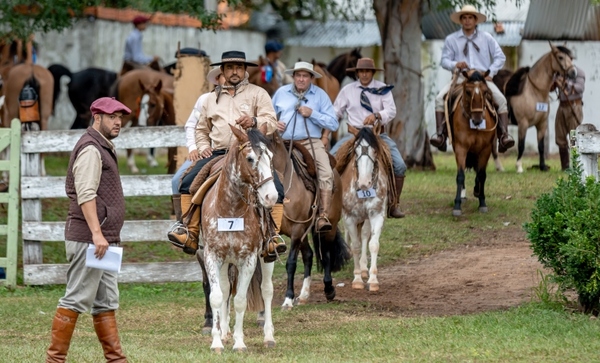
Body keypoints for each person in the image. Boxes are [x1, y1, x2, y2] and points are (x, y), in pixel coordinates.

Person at [167, 50, 287, 261]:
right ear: (222, 70)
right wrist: (203, 146)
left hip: (251, 153)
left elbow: (271, 121)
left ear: (244, 70)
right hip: (219, 153)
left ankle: (272, 237)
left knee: (276, 188)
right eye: (230, 67)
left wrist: (254, 122)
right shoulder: (209, 100)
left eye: (239, 67)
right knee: (186, 182)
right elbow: (201, 129)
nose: (234, 72)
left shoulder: (258, 94)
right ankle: (190, 231)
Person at [46, 97, 130, 363]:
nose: (118, 122)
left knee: (106, 300)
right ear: (97, 117)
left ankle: (116, 359)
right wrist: (96, 233)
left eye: (120, 117)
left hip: (104, 240)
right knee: (75, 298)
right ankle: (54, 360)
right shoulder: (91, 148)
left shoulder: (103, 147)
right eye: (112, 117)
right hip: (91, 240)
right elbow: (85, 194)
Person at [429, 5, 515, 153]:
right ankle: (440, 136)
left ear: (476, 21)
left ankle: (503, 137)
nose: (467, 21)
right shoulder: (452, 39)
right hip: (462, 79)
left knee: (501, 100)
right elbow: (444, 60)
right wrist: (456, 64)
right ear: (460, 20)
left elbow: (500, 57)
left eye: (470, 18)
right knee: (439, 99)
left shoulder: (487, 38)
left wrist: (491, 73)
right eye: (464, 18)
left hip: (482, 79)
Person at [331, 58, 407, 219]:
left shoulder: (383, 89)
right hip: (353, 134)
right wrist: (328, 128)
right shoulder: (347, 90)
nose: (364, 74)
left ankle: (393, 204)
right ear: (357, 73)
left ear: (372, 72)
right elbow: (335, 112)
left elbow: (391, 110)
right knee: (329, 162)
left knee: (399, 165)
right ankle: (332, 203)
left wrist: (377, 115)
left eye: (367, 71)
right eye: (361, 71)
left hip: (377, 134)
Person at [272, 61, 339, 231]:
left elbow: (333, 123)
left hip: (311, 142)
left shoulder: (320, 95)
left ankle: (322, 215)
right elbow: (268, 116)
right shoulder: (281, 93)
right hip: (282, 143)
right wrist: (275, 124)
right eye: (298, 75)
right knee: (260, 168)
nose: (301, 79)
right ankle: (263, 213)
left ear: (311, 78)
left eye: (305, 76)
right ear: (293, 77)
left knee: (326, 172)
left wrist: (313, 114)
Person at [170, 66, 225, 221]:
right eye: (223, 76)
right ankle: (183, 224)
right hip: (206, 151)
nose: (227, 79)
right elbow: (191, 125)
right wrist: (194, 148)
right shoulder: (205, 99)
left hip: (231, 151)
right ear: (217, 79)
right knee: (177, 181)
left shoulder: (243, 99)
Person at [550, 46, 585, 171]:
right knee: (560, 137)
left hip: (574, 106)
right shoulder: (559, 73)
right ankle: (565, 166)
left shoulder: (579, 72)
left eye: (569, 59)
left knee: (574, 136)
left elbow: (580, 88)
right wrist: (554, 81)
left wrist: (566, 83)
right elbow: (550, 89)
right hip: (562, 106)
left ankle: (576, 165)